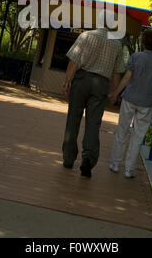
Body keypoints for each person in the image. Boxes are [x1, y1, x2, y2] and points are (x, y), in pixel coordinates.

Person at [62, 12, 124, 178]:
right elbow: (117, 73)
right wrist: (114, 93)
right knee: (93, 123)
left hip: (81, 80)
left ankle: (68, 158)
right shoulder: (117, 45)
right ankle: (88, 159)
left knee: (73, 119)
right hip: (101, 85)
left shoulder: (85, 36)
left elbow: (74, 62)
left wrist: (67, 82)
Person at [109, 28, 152, 178]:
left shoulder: (136, 56)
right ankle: (129, 169)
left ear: (143, 42)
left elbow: (127, 78)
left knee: (122, 130)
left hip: (130, 98)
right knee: (138, 136)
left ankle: (115, 163)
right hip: (146, 102)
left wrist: (115, 94)